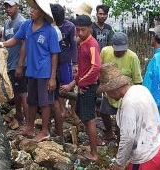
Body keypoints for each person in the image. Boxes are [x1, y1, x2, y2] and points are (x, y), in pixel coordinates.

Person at [0, 0, 60, 142]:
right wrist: (2, 44)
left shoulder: (50, 31)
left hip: (44, 71)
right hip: (31, 70)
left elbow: (55, 54)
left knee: (45, 102)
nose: (31, 11)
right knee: (31, 101)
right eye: (31, 8)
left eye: (34, 9)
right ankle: (29, 127)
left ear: (42, 13)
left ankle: (45, 131)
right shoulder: (27, 26)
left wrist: (53, 77)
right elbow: (16, 39)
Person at [97, 63, 160, 170]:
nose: (107, 96)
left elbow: (128, 138)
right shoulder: (141, 89)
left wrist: (119, 163)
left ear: (113, 89)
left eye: (107, 92)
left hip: (146, 157)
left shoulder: (128, 103)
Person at [60, 15, 101, 161]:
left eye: (82, 30)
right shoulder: (83, 43)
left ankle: (94, 153)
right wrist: (72, 84)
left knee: (89, 118)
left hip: (89, 86)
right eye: (77, 30)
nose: (79, 33)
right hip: (84, 84)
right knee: (81, 112)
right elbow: (83, 69)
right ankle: (95, 140)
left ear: (90, 28)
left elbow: (96, 67)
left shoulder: (91, 44)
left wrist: (82, 83)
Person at [99, 32, 142, 141]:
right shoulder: (105, 52)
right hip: (110, 92)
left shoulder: (133, 57)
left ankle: (120, 139)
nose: (119, 52)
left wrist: (136, 99)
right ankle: (109, 132)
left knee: (122, 120)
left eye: (122, 50)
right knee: (103, 112)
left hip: (125, 95)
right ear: (112, 45)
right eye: (117, 50)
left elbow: (137, 80)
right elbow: (99, 70)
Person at [50, 3, 77, 138]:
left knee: (68, 87)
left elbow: (73, 46)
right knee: (57, 87)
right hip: (53, 61)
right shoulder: (50, 26)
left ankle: (72, 110)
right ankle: (62, 110)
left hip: (66, 61)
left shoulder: (70, 27)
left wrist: (75, 63)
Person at [2, 0, 27, 125]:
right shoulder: (7, 23)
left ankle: (28, 122)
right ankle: (19, 114)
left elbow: (24, 44)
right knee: (16, 90)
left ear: (17, 6)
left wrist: (20, 65)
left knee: (23, 92)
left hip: (19, 64)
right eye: (6, 6)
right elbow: (5, 42)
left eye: (10, 6)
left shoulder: (21, 22)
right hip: (11, 63)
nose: (7, 9)